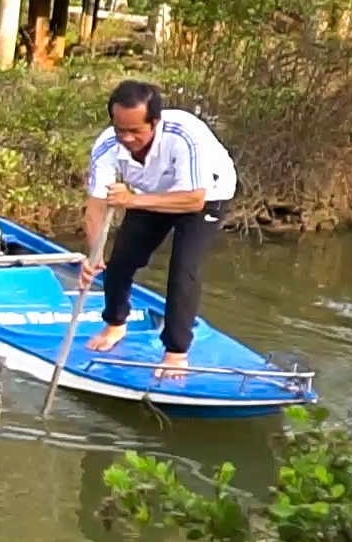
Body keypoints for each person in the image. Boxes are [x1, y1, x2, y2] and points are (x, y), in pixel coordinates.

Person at [79, 80, 236, 379]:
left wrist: (133, 200)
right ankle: (115, 324)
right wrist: (94, 254)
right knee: (121, 259)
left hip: (205, 196)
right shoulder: (106, 146)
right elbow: (97, 204)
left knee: (184, 269)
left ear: (155, 122)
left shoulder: (186, 135)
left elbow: (193, 199)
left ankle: (176, 352)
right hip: (148, 194)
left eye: (135, 131)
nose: (126, 138)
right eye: (120, 130)